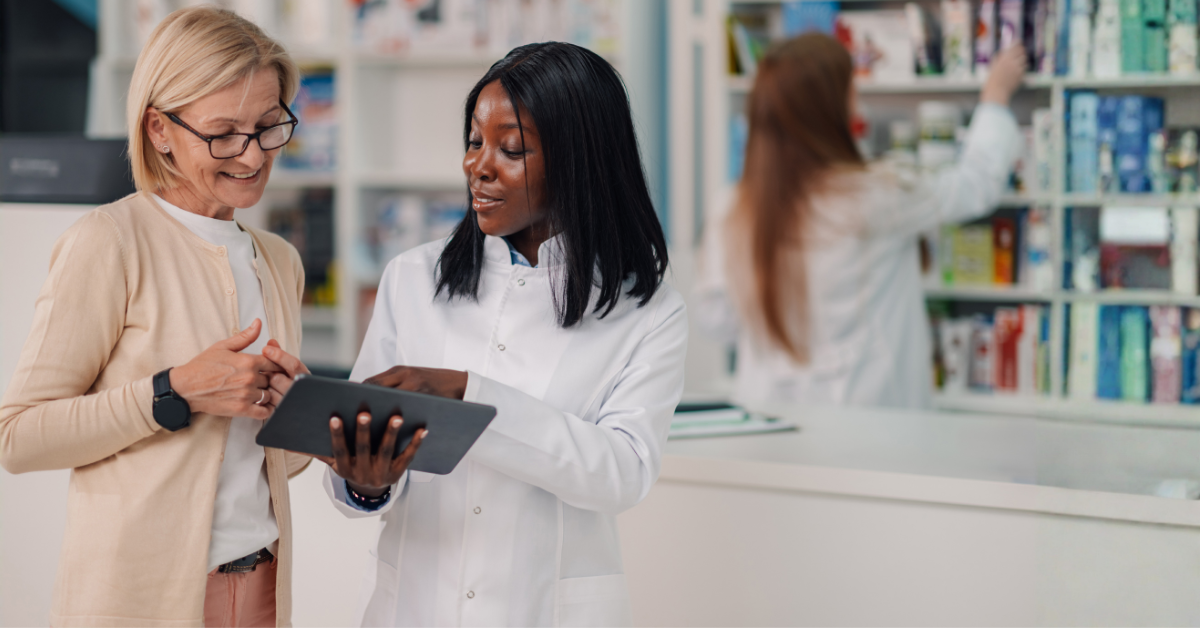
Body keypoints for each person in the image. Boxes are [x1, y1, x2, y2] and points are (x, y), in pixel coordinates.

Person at [270, 41, 687, 626]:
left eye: (511, 150)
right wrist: (365, 483)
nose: (478, 166)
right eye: (474, 142)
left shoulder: (645, 308)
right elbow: (360, 469)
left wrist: (472, 395)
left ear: (580, 160)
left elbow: (622, 473)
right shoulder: (413, 278)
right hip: (416, 605)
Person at [0, 7, 312, 626]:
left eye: (270, 126)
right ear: (159, 129)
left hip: (261, 586)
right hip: (137, 601)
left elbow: (271, 461)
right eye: (223, 132)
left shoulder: (279, 260)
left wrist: (297, 413)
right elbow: (19, 436)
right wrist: (174, 392)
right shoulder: (108, 242)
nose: (251, 156)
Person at [695, 34, 1027, 411]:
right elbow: (975, 184)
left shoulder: (732, 207)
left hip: (768, 425)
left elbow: (717, 321)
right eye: (851, 88)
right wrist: (995, 96)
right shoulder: (876, 195)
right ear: (830, 109)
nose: (859, 100)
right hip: (867, 427)